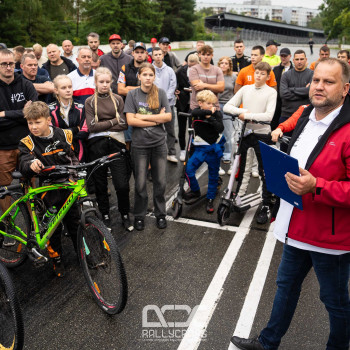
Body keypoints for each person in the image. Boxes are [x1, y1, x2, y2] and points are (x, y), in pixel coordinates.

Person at [231, 57, 350, 350]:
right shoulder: (307, 115)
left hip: (328, 237)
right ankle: (268, 342)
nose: (319, 87)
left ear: (345, 88)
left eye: (328, 82)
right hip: (295, 224)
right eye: (316, 80)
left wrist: (317, 186)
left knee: (334, 301)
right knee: (285, 287)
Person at [18, 101, 80, 277]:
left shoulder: (64, 135)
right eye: (30, 123)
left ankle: (83, 254)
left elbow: (72, 157)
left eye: (37, 122)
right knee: (52, 228)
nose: (33, 127)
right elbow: (23, 162)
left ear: (48, 120)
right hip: (45, 189)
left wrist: (76, 173)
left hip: (67, 185)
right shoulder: (27, 142)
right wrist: (31, 164)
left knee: (75, 222)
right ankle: (56, 259)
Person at [224, 62, 277, 224]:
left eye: (262, 73)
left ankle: (266, 204)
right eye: (257, 72)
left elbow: (268, 116)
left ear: (268, 77)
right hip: (246, 134)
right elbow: (227, 106)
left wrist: (247, 116)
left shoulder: (271, 93)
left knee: (264, 171)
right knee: (244, 168)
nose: (258, 75)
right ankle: (238, 197)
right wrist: (242, 112)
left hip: (263, 135)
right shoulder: (246, 89)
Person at [124, 63, 172, 231]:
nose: (147, 78)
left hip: (158, 143)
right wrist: (156, 117)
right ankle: (139, 215)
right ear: (139, 76)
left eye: (150, 75)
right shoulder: (132, 94)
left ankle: (160, 214)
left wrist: (141, 117)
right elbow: (130, 120)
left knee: (160, 182)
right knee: (140, 184)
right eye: (144, 74)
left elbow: (168, 117)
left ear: (154, 77)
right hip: (140, 145)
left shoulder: (161, 93)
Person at [85, 67, 133, 232]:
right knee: (100, 183)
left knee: (122, 184)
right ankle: (104, 214)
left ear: (111, 82)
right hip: (97, 144)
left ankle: (125, 214)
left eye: (107, 82)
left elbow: (124, 123)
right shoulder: (90, 101)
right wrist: (114, 121)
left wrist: (105, 124)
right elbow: (92, 127)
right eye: (101, 82)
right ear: (96, 82)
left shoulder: (118, 99)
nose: (104, 85)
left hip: (116, 142)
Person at [0, 49, 38, 213]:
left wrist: (5, 114)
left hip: (26, 144)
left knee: (30, 184)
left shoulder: (25, 84)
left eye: (11, 64)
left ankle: (34, 224)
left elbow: (35, 112)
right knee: (4, 189)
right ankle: (9, 224)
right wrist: (22, 114)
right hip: (3, 147)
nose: (8, 67)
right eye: (4, 64)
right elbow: (26, 116)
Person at [183, 90, 225, 213]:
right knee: (188, 170)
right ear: (200, 103)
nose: (212, 106)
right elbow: (195, 112)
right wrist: (207, 113)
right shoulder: (196, 112)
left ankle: (210, 198)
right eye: (209, 103)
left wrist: (210, 117)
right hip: (200, 148)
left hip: (213, 149)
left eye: (213, 104)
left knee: (213, 175)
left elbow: (220, 128)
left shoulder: (216, 114)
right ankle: (195, 191)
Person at [279, 49, 313, 151]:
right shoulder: (286, 75)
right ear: (293, 60)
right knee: (284, 149)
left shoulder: (312, 74)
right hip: (287, 116)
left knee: (303, 148)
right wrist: (304, 91)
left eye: (302, 59)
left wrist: (291, 90)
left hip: (305, 117)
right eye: (297, 59)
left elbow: (311, 92)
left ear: (306, 59)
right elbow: (283, 94)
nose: (299, 61)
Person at [49, 75, 88, 162]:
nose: (68, 90)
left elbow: (84, 132)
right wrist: (75, 129)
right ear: (56, 90)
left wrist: (62, 132)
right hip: (57, 150)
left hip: (79, 148)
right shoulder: (50, 109)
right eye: (63, 88)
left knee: (80, 174)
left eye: (70, 87)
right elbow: (52, 133)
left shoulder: (81, 107)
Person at [152, 47, 177, 163]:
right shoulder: (149, 69)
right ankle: (158, 154)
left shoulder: (170, 70)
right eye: (155, 54)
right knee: (155, 130)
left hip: (169, 104)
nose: (157, 56)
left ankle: (171, 152)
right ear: (152, 56)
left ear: (163, 55)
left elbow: (173, 86)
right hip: (153, 105)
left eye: (159, 54)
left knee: (170, 130)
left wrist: (165, 100)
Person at [175, 54, 199, 161]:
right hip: (182, 103)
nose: (192, 68)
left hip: (195, 103)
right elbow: (175, 84)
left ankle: (193, 150)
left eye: (194, 66)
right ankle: (182, 149)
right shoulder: (180, 71)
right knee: (181, 127)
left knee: (193, 128)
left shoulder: (201, 71)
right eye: (190, 66)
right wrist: (177, 91)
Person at [189, 45, 225, 112]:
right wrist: (214, 87)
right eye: (203, 54)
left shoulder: (217, 70)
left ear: (212, 55)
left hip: (214, 108)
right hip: (197, 108)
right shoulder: (193, 69)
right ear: (199, 55)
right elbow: (197, 87)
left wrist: (204, 85)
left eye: (208, 55)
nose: (205, 57)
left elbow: (221, 88)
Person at [217, 56, 236, 170]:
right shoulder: (215, 75)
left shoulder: (233, 76)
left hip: (228, 105)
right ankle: (217, 152)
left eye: (226, 63)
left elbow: (235, 91)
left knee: (228, 132)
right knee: (217, 131)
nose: (223, 65)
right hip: (216, 104)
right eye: (221, 63)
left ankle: (227, 153)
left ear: (229, 65)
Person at [271, 48, 293, 130]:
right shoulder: (275, 69)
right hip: (276, 101)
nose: (283, 58)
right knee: (273, 124)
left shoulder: (293, 70)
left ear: (290, 56)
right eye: (282, 56)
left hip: (288, 101)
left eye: (285, 56)